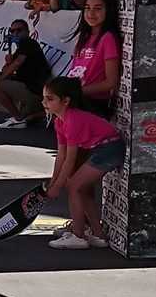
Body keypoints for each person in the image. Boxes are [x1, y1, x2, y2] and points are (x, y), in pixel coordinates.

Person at [41, 75, 126, 250]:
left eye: (50, 99)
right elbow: (61, 155)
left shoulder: (73, 120)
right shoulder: (60, 121)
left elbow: (70, 159)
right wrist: (53, 181)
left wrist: (57, 186)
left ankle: (78, 235)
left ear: (66, 101)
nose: (44, 102)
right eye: (44, 98)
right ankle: (97, 233)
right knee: (82, 189)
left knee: (73, 186)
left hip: (109, 149)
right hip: (103, 149)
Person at [67, 0, 123, 111]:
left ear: (108, 11)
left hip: (93, 103)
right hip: (76, 98)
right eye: (87, 8)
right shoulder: (84, 37)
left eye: (97, 9)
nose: (91, 13)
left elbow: (111, 82)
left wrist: (76, 92)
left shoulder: (108, 38)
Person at [0, 18, 53, 129]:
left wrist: (0, 78)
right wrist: (7, 63)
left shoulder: (28, 42)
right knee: (28, 115)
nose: (15, 33)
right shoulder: (21, 48)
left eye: (19, 30)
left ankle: (18, 118)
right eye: (12, 31)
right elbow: (8, 69)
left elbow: (17, 63)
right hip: (31, 89)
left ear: (27, 31)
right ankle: (33, 115)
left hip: (34, 89)